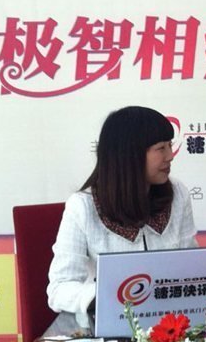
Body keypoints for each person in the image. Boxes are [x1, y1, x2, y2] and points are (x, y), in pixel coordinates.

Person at [47, 106, 198, 319]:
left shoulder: (178, 194)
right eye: (160, 148)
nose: (170, 156)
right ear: (130, 154)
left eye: (170, 145)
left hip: (171, 323)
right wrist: (111, 297)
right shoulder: (83, 206)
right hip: (108, 325)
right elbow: (60, 288)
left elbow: (192, 266)